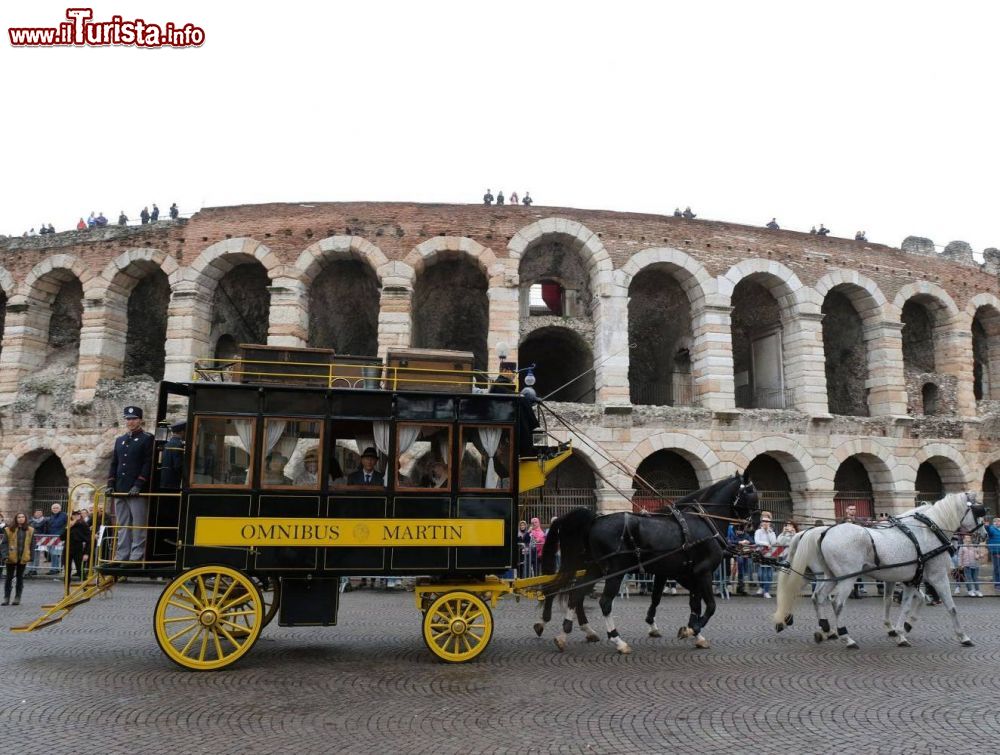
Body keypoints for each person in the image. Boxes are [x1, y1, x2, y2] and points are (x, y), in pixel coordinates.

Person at [106, 405, 154, 565]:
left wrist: (139, 484)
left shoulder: (147, 438)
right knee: (123, 525)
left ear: (140, 420)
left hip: (136, 489)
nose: (130, 422)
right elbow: (115, 463)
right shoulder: (120, 440)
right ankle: (122, 555)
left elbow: (148, 463)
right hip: (120, 488)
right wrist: (110, 483)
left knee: (139, 524)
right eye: (128, 419)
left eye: (133, 419)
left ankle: (136, 555)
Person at [3, 513, 34, 605]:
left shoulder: (30, 530)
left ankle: (17, 597)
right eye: (19, 517)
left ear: (25, 519)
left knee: (20, 578)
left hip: (23, 557)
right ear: (16, 519)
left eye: (23, 517)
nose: (21, 519)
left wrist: (31, 556)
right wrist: (5, 555)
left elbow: (32, 544)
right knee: (9, 578)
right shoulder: (9, 529)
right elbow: (4, 543)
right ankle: (6, 597)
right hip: (11, 557)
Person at [62, 510, 91, 581]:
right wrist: (68, 528)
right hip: (67, 548)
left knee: (80, 570)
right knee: (67, 570)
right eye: (74, 515)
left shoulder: (83, 525)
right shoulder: (68, 524)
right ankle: (67, 589)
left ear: (80, 516)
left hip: (78, 549)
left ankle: (85, 587)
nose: (76, 517)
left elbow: (88, 540)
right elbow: (61, 537)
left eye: (77, 515)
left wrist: (86, 553)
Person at [754, 514, 776, 598]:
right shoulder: (758, 531)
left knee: (769, 574)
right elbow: (757, 541)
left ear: (770, 523)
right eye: (764, 521)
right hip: (761, 554)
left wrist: (769, 533)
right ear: (761, 523)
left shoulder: (772, 532)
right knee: (761, 574)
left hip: (770, 555)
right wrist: (766, 544)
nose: (765, 523)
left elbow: (773, 542)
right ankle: (762, 587)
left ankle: (766, 591)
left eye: (767, 522)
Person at [158, 421, 186, 489]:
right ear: (182, 432)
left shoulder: (169, 443)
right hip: (173, 479)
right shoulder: (178, 444)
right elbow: (178, 465)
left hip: (165, 477)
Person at [985, 516, 1000, 591]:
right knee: (997, 568)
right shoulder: (991, 528)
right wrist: (987, 526)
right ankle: (997, 584)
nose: (997, 523)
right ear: (993, 523)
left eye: (998, 521)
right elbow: (987, 531)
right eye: (996, 521)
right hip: (996, 552)